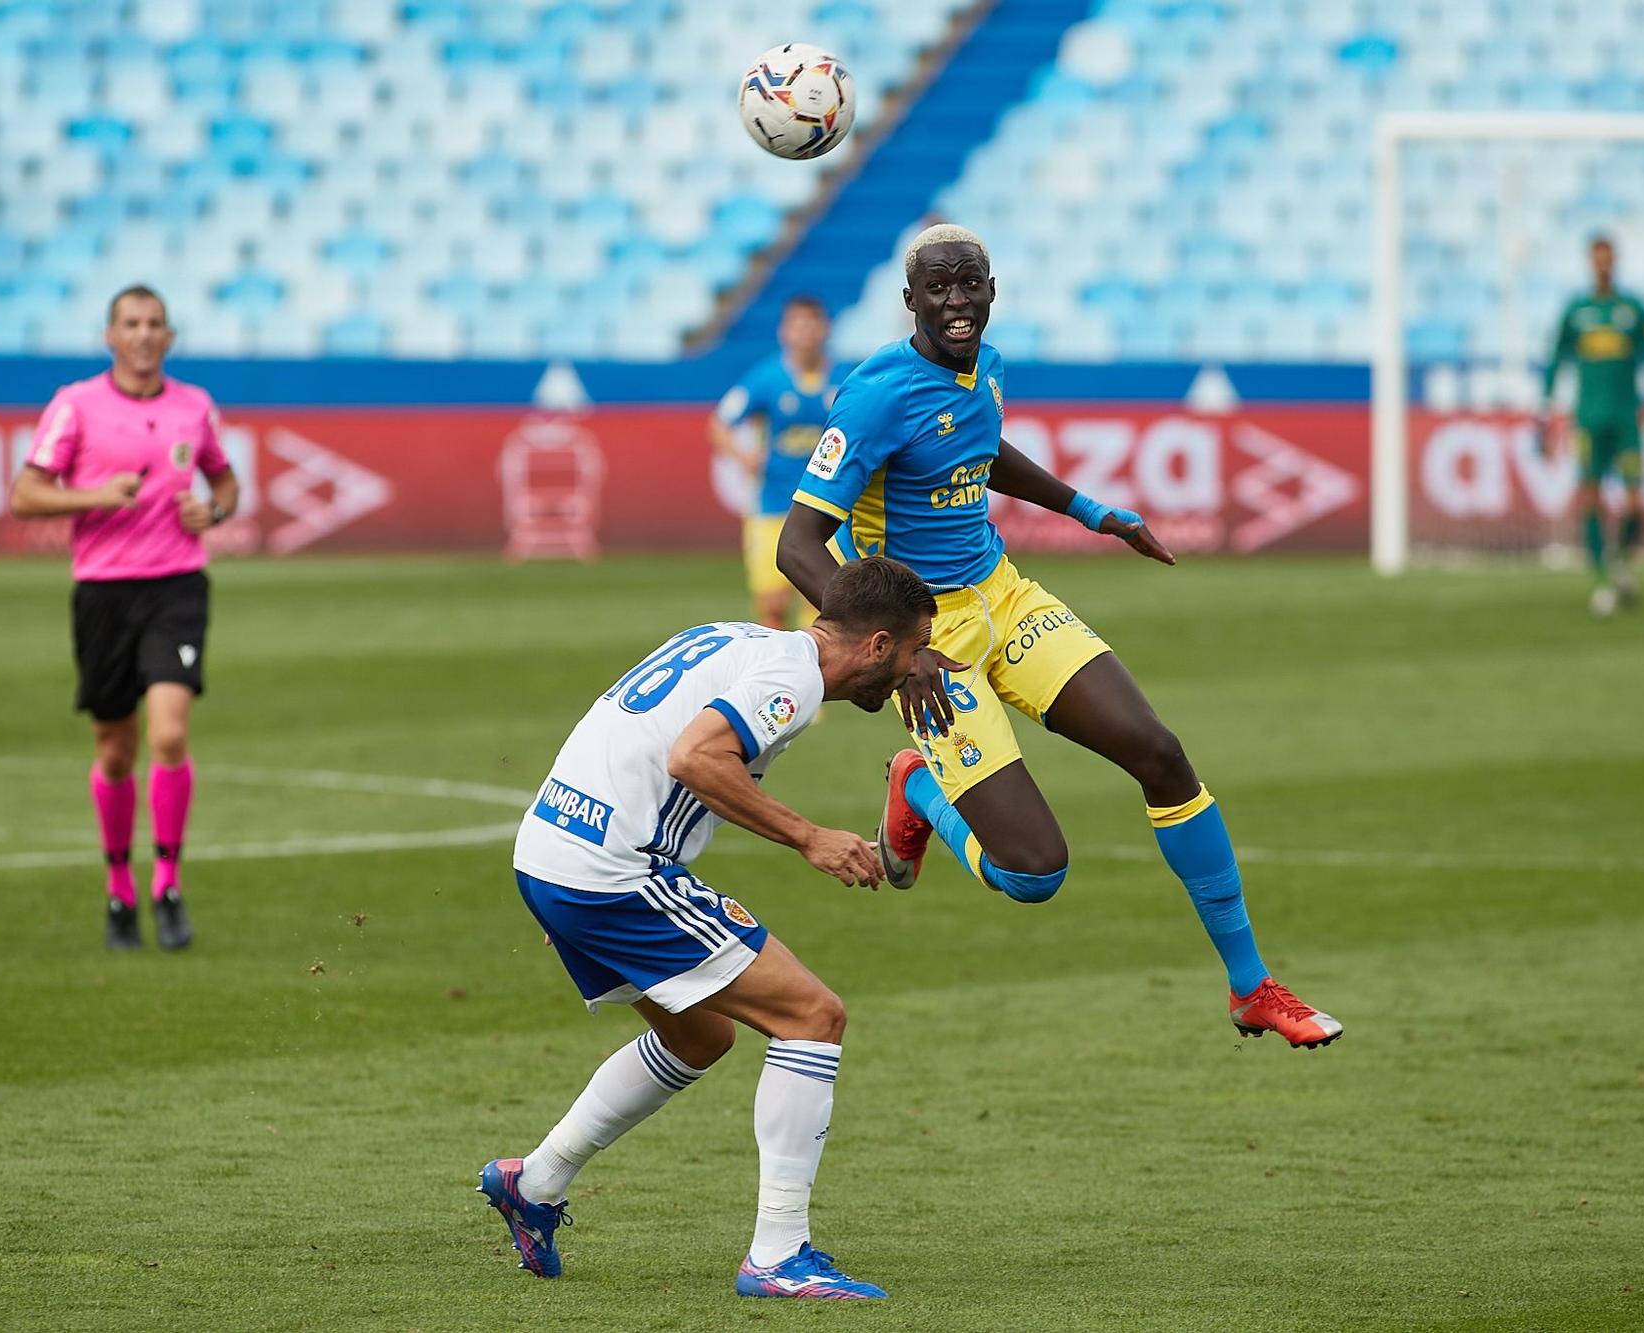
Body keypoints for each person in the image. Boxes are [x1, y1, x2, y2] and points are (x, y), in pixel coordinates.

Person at [776, 224, 1342, 1049]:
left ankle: (1251, 984)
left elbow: (979, 448)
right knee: (1033, 874)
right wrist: (898, 655)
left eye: (970, 284)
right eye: (938, 288)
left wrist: (1091, 511)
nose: (957, 301)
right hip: (930, 641)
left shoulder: (987, 369)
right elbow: (798, 545)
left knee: (1161, 752)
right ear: (910, 302)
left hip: (1007, 597)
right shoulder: (873, 396)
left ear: (993, 289)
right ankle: (918, 788)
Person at [482, 556, 936, 1300]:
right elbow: (693, 757)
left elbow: (620, 730)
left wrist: (567, 877)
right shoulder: (791, 681)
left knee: (701, 1035)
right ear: (879, 645)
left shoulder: (735, 637)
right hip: (613, 871)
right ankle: (779, 1256)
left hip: (555, 849)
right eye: (914, 651)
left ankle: (535, 1182)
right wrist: (808, 836)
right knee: (812, 1015)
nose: (909, 672)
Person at [8, 286, 239, 951]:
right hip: (104, 591)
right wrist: (93, 495)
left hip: (177, 585)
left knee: (169, 734)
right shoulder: (76, 404)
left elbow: (224, 480)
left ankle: (168, 881)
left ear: (170, 336)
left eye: (155, 324)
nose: (143, 334)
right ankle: (119, 888)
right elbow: (24, 492)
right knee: (115, 747)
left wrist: (214, 512)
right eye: (131, 323)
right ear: (110, 335)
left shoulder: (194, 406)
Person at [1536, 234, 1644, 617]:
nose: (1603, 265)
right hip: (1590, 419)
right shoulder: (1577, 311)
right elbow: (1556, 360)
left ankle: (1619, 563)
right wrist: (1546, 413)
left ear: (1616, 261)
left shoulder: (1633, 310)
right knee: (1589, 496)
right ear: (1590, 263)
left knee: (1635, 503)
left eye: (1608, 259)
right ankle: (1604, 578)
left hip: (1627, 420)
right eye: (1597, 259)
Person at [705, 296, 842, 629]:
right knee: (772, 605)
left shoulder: (844, 378)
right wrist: (743, 457)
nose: (806, 333)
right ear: (784, 332)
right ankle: (775, 676)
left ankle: (816, 678)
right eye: (798, 324)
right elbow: (719, 423)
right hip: (772, 505)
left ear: (825, 329)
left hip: (827, 509)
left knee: (826, 605)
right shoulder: (766, 378)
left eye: (812, 324)